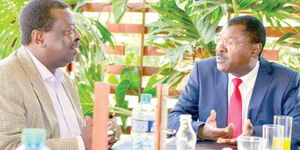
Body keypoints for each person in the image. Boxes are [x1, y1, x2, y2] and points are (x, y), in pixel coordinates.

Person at [168, 15, 300, 149]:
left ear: (255, 50)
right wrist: (202, 131)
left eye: (230, 43)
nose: (219, 48)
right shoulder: (203, 71)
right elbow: (174, 117)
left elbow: (297, 127)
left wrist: (254, 134)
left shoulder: (286, 79)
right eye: (219, 41)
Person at [0, 0, 116, 149]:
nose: (78, 36)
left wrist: (97, 135)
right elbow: (9, 146)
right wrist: (82, 143)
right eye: (69, 31)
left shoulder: (64, 79)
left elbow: (71, 136)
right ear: (39, 38)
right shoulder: (6, 76)